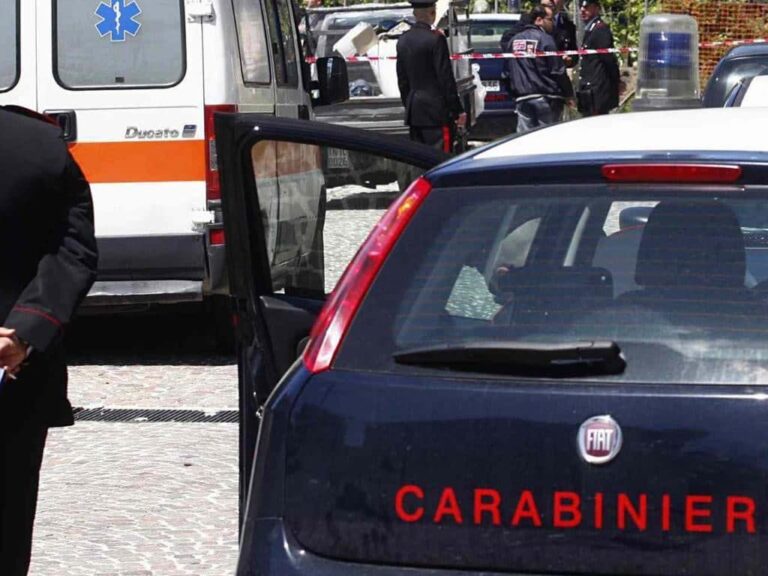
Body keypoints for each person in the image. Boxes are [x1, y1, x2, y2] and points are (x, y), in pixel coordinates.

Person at [0, 106, 98, 575]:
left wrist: (23, 334)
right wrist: (24, 332)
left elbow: (71, 248)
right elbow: (71, 250)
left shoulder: (38, 146)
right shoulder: (39, 144)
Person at [396, 0, 466, 150]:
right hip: (437, 113)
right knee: (441, 158)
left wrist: (409, 105)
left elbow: (402, 80)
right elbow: (445, 78)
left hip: (415, 113)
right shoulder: (436, 39)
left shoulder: (403, 40)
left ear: (414, 14)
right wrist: (457, 110)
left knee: (418, 157)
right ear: (432, 13)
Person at [506, 4, 574, 133]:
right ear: (539, 20)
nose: (553, 23)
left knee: (525, 138)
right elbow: (557, 71)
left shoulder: (514, 41)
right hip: (546, 98)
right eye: (550, 19)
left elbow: (506, 72)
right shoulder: (546, 40)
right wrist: (568, 94)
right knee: (548, 137)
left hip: (523, 98)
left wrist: (514, 93)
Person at [577, 0, 620, 116]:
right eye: (581, 7)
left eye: (586, 7)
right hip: (588, 90)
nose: (582, 10)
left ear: (596, 8)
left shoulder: (600, 29)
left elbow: (608, 59)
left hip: (597, 91)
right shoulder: (590, 29)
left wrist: (616, 81)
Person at [540, 0, 579, 67]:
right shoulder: (529, 21)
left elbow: (574, 55)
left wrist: (569, 60)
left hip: (558, 71)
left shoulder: (568, 26)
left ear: (562, 2)